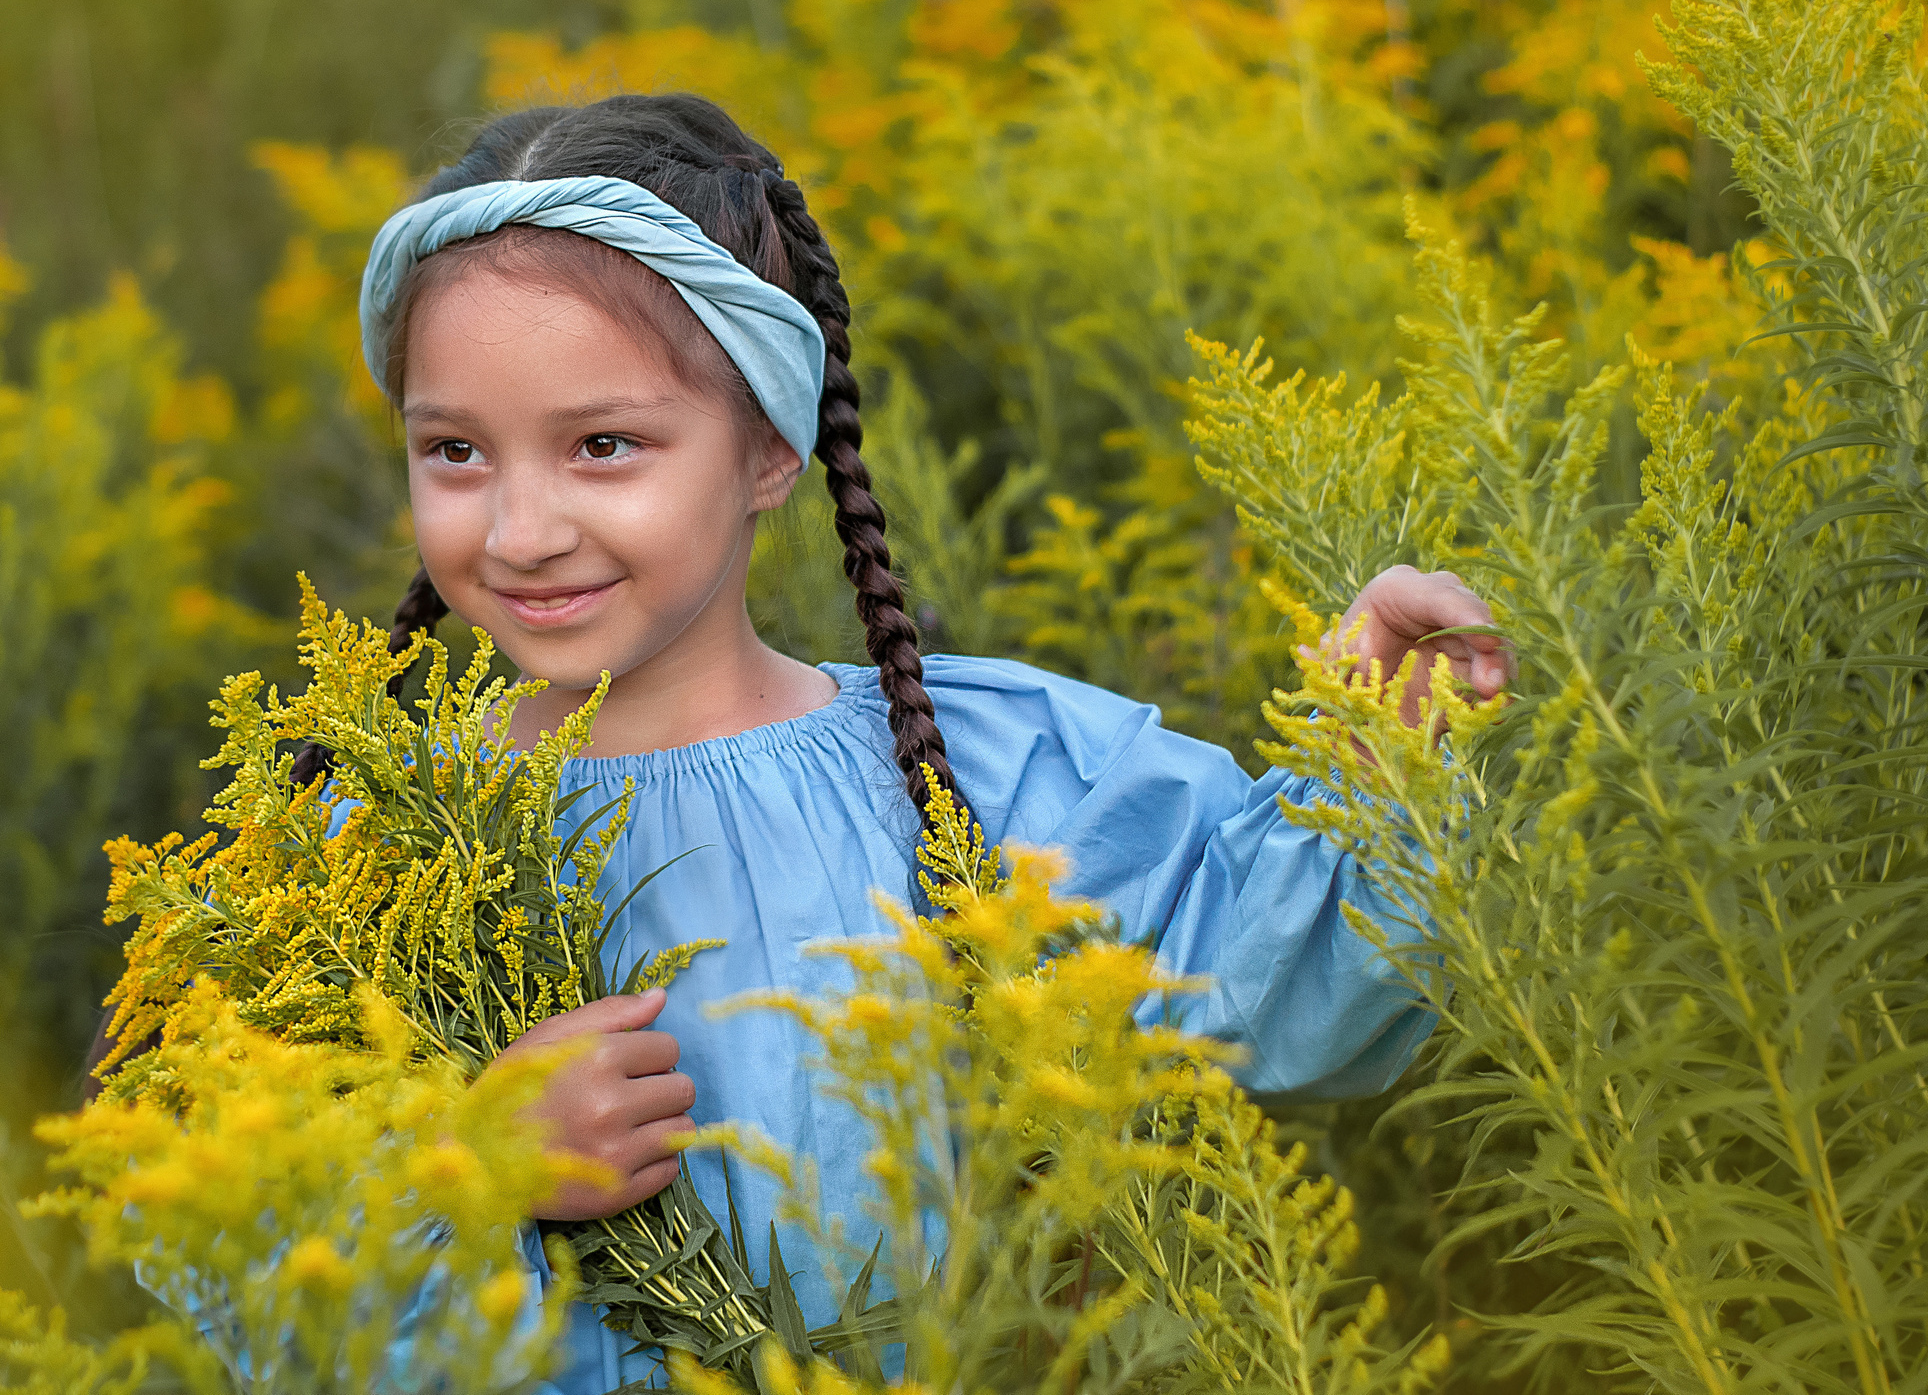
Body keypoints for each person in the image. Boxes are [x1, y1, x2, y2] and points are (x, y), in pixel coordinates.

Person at [313, 92, 1502, 1392]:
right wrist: (471, 1165)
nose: (521, 527)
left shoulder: (979, 774)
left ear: (768, 445)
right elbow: (246, 1284)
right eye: (456, 450)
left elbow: (1283, 977)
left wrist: (1380, 754)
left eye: (604, 444)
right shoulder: (371, 839)